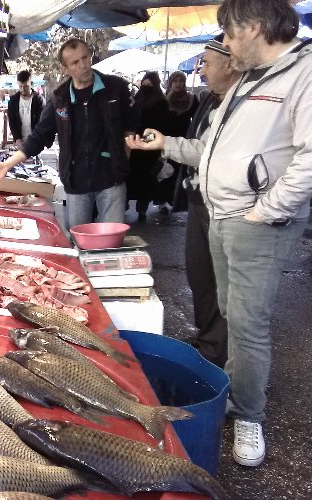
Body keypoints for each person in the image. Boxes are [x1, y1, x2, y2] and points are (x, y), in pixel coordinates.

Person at [153, 0, 310, 468]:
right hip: (222, 216)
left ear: (255, 28)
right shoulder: (248, 78)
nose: (225, 44)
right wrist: (167, 144)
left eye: (228, 34)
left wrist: (267, 210)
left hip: (254, 221)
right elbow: (210, 148)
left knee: (248, 323)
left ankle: (249, 415)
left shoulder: (302, 73)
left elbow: (309, 158)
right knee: (230, 312)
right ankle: (235, 386)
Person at [126, 35, 241, 370]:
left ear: (229, 63)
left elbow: (208, 153)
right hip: (200, 199)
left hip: (226, 205)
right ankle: (208, 340)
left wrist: (167, 144)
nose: (200, 69)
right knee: (199, 274)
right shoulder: (210, 99)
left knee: (224, 285)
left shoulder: (238, 104)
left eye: (205, 62)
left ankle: (222, 358)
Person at [0, 38, 137, 229]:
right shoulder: (60, 98)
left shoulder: (116, 88)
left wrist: (124, 156)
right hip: (76, 181)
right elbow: (39, 137)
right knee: (79, 239)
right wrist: (7, 164)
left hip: (111, 179)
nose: (83, 65)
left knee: (112, 240)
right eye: (75, 62)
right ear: (65, 68)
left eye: (85, 58)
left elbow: (132, 125)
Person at [126, 71, 170, 221]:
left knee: (146, 180)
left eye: (149, 85)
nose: (146, 88)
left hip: (150, 148)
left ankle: (142, 210)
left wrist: (145, 141)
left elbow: (162, 126)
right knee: (130, 178)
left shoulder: (161, 102)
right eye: (144, 85)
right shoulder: (137, 99)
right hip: (134, 146)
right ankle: (125, 205)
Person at [154, 71, 200, 215]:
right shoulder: (163, 100)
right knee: (164, 172)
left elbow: (197, 120)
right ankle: (161, 201)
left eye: (181, 81)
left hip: (184, 141)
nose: (178, 84)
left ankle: (175, 200)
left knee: (179, 172)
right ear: (170, 83)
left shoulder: (192, 99)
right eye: (175, 81)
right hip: (165, 141)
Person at [6, 70, 44, 147]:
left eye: (26, 86)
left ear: (31, 84)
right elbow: (12, 122)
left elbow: (41, 122)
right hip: (19, 141)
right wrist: (17, 139)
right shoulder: (13, 101)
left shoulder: (39, 100)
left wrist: (36, 139)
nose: (23, 89)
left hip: (36, 140)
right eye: (20, 86)